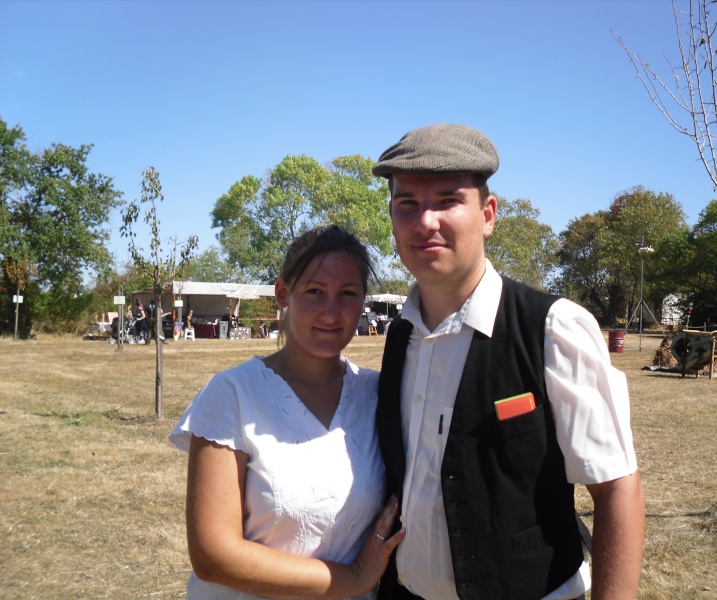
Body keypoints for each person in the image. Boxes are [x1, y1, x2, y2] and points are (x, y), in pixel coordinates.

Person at [371, 124, 645, 600]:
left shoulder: (553, 328)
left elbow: (617, 489)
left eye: (448, 200)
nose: (425, 221)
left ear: (489, 214)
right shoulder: (399, 336)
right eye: (407, 204)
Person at [169, 225, 405, 600]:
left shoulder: (379, 394)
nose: (331, 311)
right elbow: (213, 555)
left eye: (347, 294)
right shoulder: (233, 395)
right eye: (314, 292)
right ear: (284, 294)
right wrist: (354, 578)